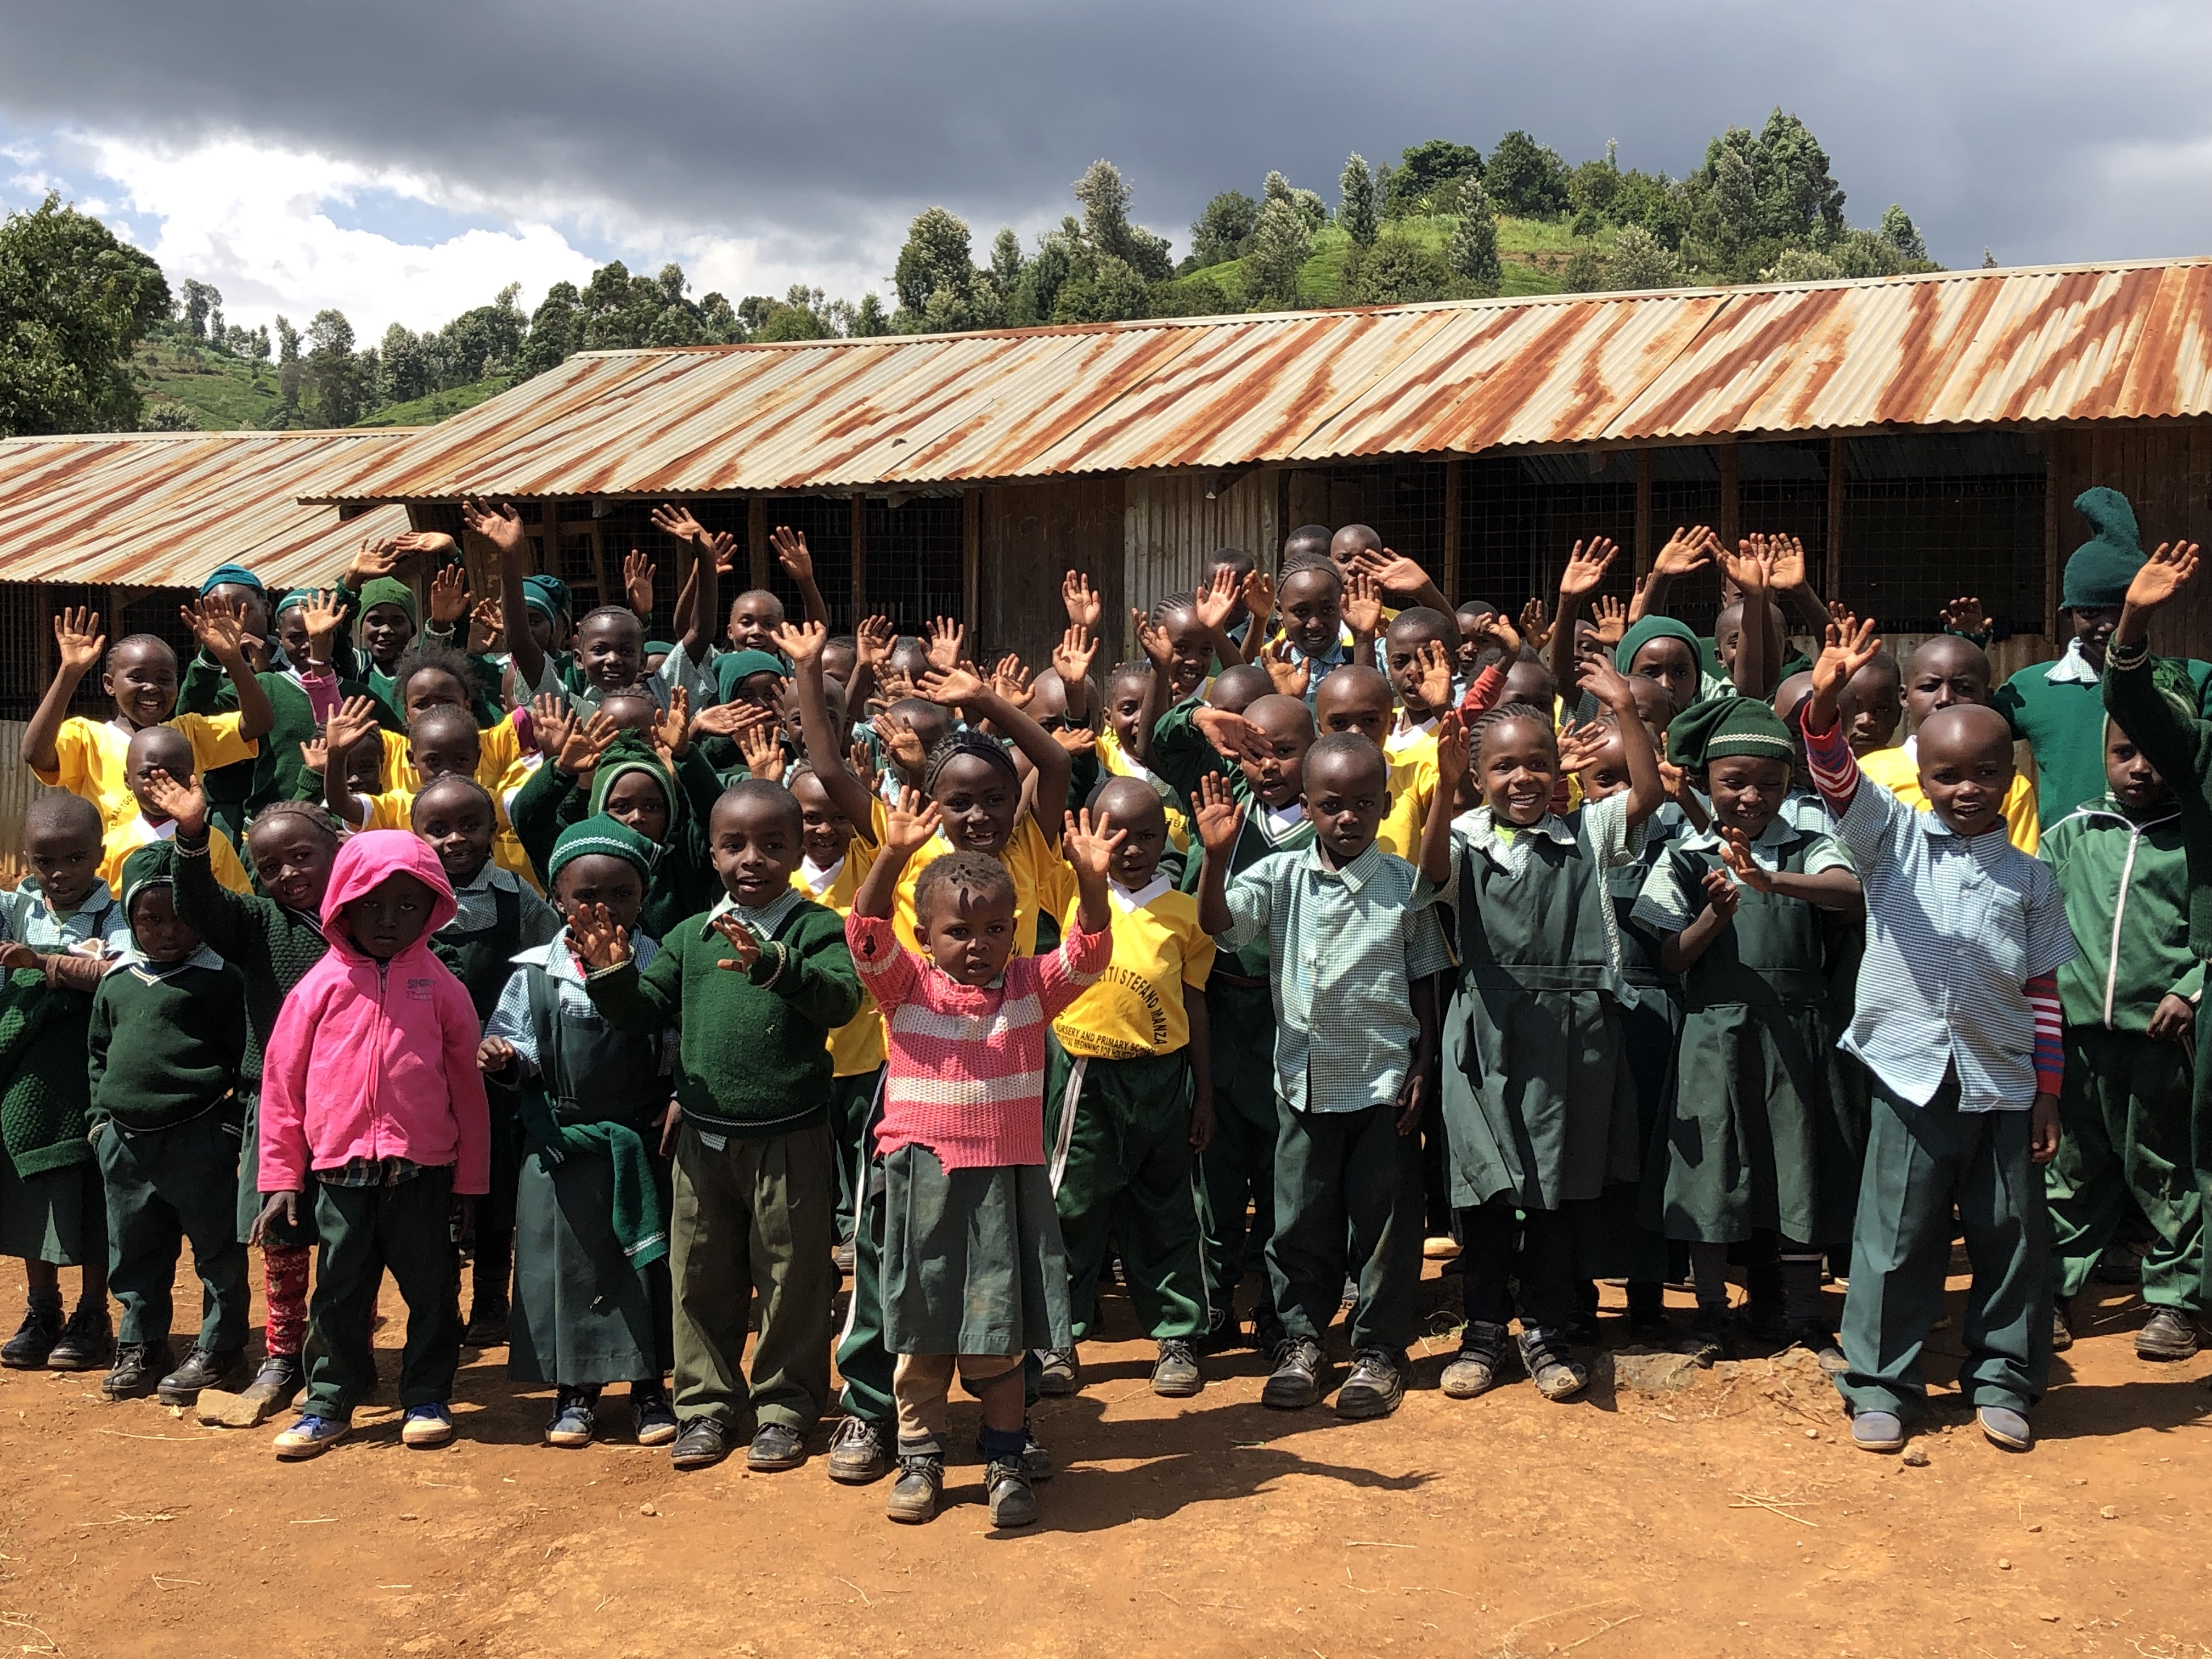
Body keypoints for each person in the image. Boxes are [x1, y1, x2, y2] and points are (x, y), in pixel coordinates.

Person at [1799, 613, 2076, 1455]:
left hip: (2005, 1083)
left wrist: (2049, 1093)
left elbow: (2044, 993)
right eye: (1947, 775)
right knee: (1897, 1236)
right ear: (1920, 774)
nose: (1967, 790)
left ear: (2009, 777)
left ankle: (2002, 1379)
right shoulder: (1891, 842)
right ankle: (1881, 1385)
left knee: (2010, 1237)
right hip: (1910, 1076)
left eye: (1986, 774)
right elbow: (1835, 775)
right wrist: (1823, 706)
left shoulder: (2033, 880)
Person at [844, 789, 1116, 1527]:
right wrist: (891, 855)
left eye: (997, 929)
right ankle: (921, 1460)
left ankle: (1005, 1457)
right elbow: (864, 934)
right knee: (922, 1334)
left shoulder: (1030, 988)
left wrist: (1091, 883)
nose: (979, 944)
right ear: (925, 936)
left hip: (1004, 1183)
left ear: (1017, 930)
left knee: (1000, 1337)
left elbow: (1088, 953)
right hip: (923, 1181)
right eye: (959, 931)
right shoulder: (906, 987)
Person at [580, 778, 861, 1476]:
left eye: (772, 844)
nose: (752, 859)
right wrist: (612, 975)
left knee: (792, 1279)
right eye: (734, 845)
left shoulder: (816, 928)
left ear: (798, 851)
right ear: (711, 854)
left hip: (790, 1140)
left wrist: (776, 967)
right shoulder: (691, 936)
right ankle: (705, 1405)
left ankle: (785, 1409)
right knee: (700, 1277)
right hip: (703, 1144)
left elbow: (841, 1001)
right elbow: (643, 1011)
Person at [1195, 728, 1452, 1421]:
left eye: (1364, 804)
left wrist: (1424, 1064)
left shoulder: (1405, 886)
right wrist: (1215, 859)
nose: (1348, 819)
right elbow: (1222, 927)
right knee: (1300, 1222)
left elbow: (1426, 979)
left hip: (1384, 1085)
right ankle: (1303, 1342)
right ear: (1306, 806)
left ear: (1385, 805)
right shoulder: (1280, 876)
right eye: (1332, 805)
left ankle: (1380, 1350)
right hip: (1303, 1084)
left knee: (1385, 1225)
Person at [1429, 655, 1663, 1402]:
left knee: (1557, 1194)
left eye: (1537, 763)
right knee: (1487, 1193)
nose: (1523, 779)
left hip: (1570, 1037)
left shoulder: (1585, 832)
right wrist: (1442, 789)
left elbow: (1649, 796)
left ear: (1560, 769)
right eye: (1503, 767)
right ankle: (1482, 1333)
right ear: (1479, 777)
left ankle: (1546, 1333)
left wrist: (1625, 709)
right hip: (1486, 1035)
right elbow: (1428, 874)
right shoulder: (1464, 837)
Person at [1630, 697, 1864, 1368]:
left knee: (1798, 1167)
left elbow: (1851, 893)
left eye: (1769, 783)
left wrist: (1772, 881)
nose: (1752, 796)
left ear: (1790, 785)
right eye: (1734, 782)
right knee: (1711, 1170)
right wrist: (1715, 916)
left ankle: (1805, 1316)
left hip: (1795, 1036)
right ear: (1706, 783)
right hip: (1714, 1037)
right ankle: (1710, 1314)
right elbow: (1672, 956)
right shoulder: (1686, 856)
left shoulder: (1810, 846)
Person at [257, 831, 491, 1460]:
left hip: (423, 1174)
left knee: (432, 1290)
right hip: (341, 1175)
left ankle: (427, 1398)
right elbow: (282, 1086)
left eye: (408, 906)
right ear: (342, 905)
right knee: (339, 1293)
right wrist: (280, 1177)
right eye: (372, 905)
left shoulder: (442, 988)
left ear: (433, 908)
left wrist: (470, 1181)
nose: (389, 920)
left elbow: (469, 1092)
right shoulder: (318, 988)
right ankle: (327, 1405)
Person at [483, 816, 679, 1448]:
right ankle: (575, 1390)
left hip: (641, 1142)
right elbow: (519, 1045)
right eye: (586, 895)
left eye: (622, 893)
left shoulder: (660, 968)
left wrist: (679, 1096)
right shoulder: (534, 974)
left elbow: (682, 1043)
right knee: (570, 1268)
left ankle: (649, 1388)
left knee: (644, 1265)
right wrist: (506, 1060)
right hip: (564, 1146)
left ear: (643, 897)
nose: (605, 907)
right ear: (558, 899)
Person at [154, 778, 341, 1422]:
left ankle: (341, 1353)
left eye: (302, 857)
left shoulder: (367, 919)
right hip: (279, 1101)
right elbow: (200, 904)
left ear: (336, 850)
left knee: (347, 1231)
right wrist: (191, 836)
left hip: (351, 1102)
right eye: (269, 866)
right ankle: (283, 1355)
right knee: (280, 1234)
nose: (287, 873)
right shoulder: (259, 924)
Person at [1037, 776, 1216, 1398]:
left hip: (1161, 1079)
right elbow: (1039, 799)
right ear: (1090, 834)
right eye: (1115, 835)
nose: (1132, 849)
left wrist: (1204, 1095)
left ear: (1166, 839)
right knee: (1070, 1208)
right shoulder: (1071, 891)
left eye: (1147, 836)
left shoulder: (1185, 914)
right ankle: (1058, 1337)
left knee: (1167, 1209)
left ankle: (1178, 1335)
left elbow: (1195, 1005)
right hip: (1085, 1076)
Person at [2038, 714, 2204, 1360]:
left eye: (2156, 753)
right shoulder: (2072, 834)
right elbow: (2033, 917)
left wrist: (2190, 990)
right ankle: (2054, 1292)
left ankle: (2176, 1300)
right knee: (2073, 1169)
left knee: (2165, 1168)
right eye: (2124, 752)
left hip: (2162, 1041)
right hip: (2078, 1038)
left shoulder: (2197, 837)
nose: (2140, 768)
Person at [2096, 540, 2212, 1336]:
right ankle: (2183, 1300)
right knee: (2181, 1154)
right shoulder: (2199, 758)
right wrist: (2133, 625)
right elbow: (2140, 711)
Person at [86, 845, 251, 1404]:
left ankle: (221, 1347)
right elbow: (99, 1054)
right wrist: (100, 1125)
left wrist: (229, 1127)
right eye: (150, 919)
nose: (168, 931)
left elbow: (247, 1058)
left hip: (198, 1137)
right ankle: (142, 1344)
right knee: (135, 1250)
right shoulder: (118, 981)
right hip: (125, 1143)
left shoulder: (222, 980)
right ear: (130, 920)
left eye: (182, 916)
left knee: (216, 1250)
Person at [1182, 692, 1316, 1353]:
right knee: (1215, 1168)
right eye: (1254, 752)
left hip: (1283, 1013)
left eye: (1285, 752)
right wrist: (1201, 715)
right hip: (1215, 1010)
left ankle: (1274, 1306)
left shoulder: (1327, 832)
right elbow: (1163, 738)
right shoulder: (1222, 818)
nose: (1268, 766)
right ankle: (1213, 1300)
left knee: (1279, 1169)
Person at [414, 772, 565, 1344]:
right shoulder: (409, 895)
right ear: (416, 832)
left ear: (492, 827)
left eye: (470, 825)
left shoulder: (514, 896)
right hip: (424, 1064)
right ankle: (440, 1302)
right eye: (438, 828)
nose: (456, 838)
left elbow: (550, 958)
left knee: (495, 1180)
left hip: (493, 1064)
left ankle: (491, 1299)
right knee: (434, 1181)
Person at [0, 795, 130, 1374]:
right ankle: (42, 1309)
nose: (59, 873)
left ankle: (92, 1314)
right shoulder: (14, 909)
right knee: (36, 1193)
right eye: (44, 861)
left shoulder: (117, 916)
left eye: (75, 859)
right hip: (29, 1086)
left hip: (94, 1079)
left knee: (95, 1196)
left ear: (100, 855)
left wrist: (43, 963)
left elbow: (122, 973)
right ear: (26, 859)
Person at [1995, 488, 2212, 823]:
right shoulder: (2030, 689)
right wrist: (1968, 646)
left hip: (2165, 852)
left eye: (2123, 610)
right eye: (2091, 612)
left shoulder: (2191, 682)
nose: (2108, 625)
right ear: (2068, 614)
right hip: (2067, 853)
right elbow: (1965, 739)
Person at [24, 601, 273, 848]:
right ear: (109, 684)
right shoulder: (88, 738)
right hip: (114, 867)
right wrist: (69, 674)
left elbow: (259, 723)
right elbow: (35, 754)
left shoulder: (187, 733)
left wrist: (232, 658)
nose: (151, 687)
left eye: (164, 679)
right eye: (136, 677)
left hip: (184, 860)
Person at [1859, 635, 2039, 852]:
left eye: (1964, 688)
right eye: (1929, 687)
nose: (1945, 699)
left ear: (1987, 698)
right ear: (1905, 697)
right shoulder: (1870, 772)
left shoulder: (2011, 786)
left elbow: (2020, 862)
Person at [99, 726, 255, 899]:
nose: (163, 784)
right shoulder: (110, 847)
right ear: (127, 779)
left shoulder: (214, 843)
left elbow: (241, 905)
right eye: (148, 775)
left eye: (177, 775)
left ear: (192, 779)